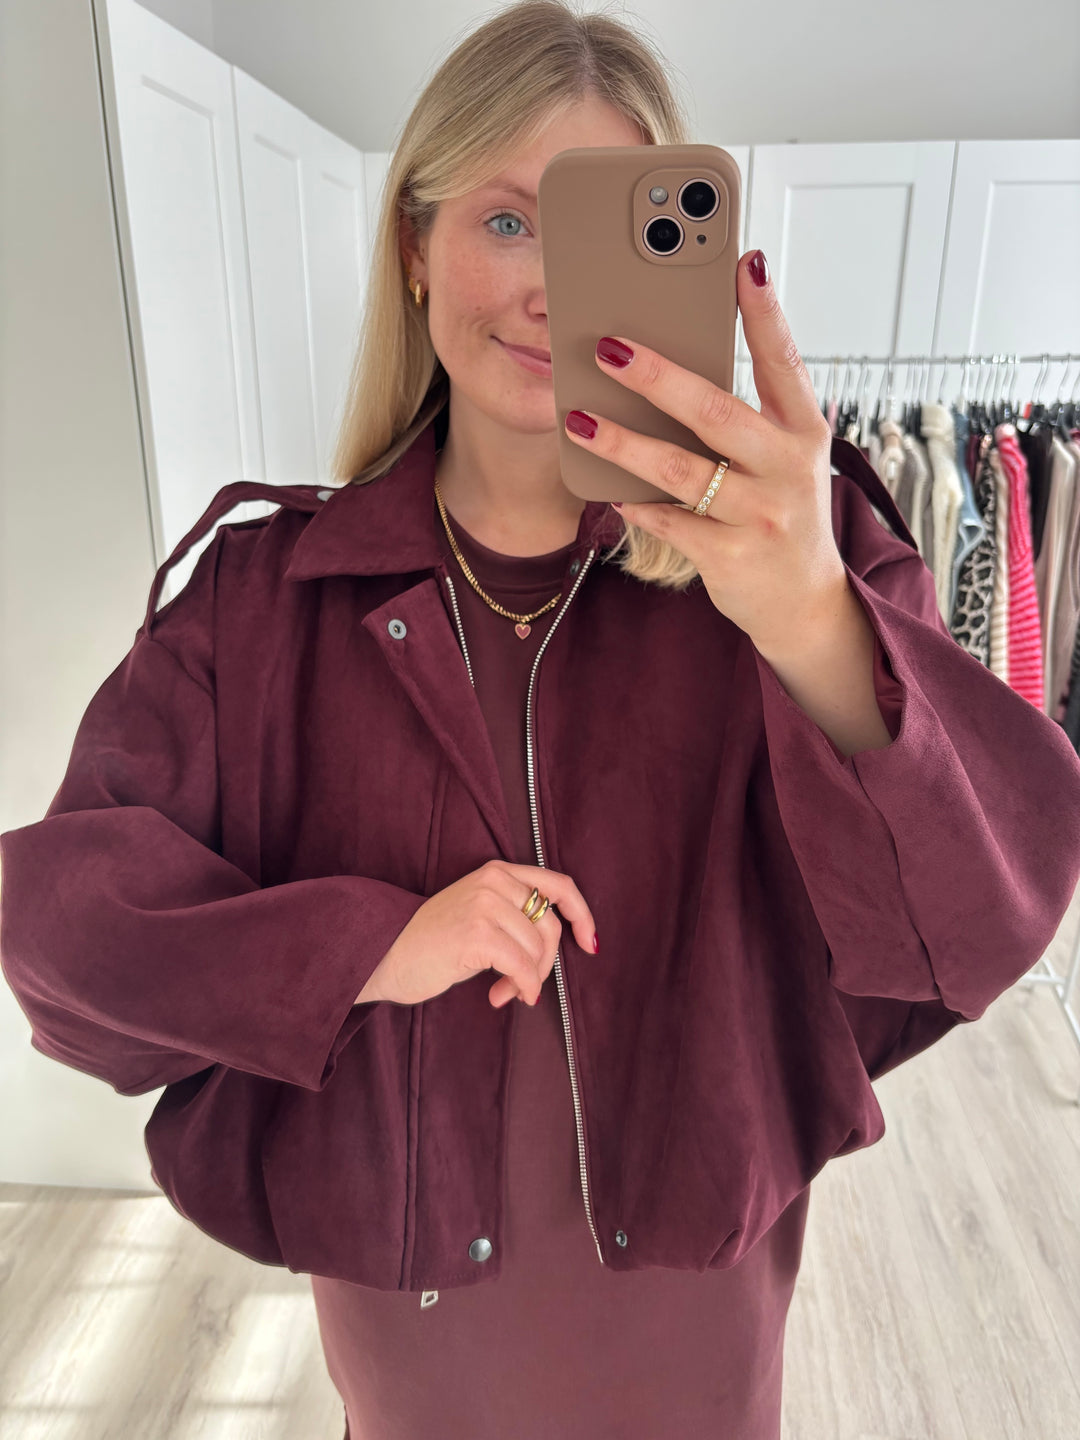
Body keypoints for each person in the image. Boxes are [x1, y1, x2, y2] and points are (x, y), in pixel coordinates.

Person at [4, 3, 1080, 1438]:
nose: (549, 291)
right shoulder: (262, 607)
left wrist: (816, 618)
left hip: (694, 1344)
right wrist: (365, 946)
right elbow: (61, 943)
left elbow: (990, 918)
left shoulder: (798, 563)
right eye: (508, 222)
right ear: (415, 248)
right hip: (412, 1353)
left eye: (604, 235)